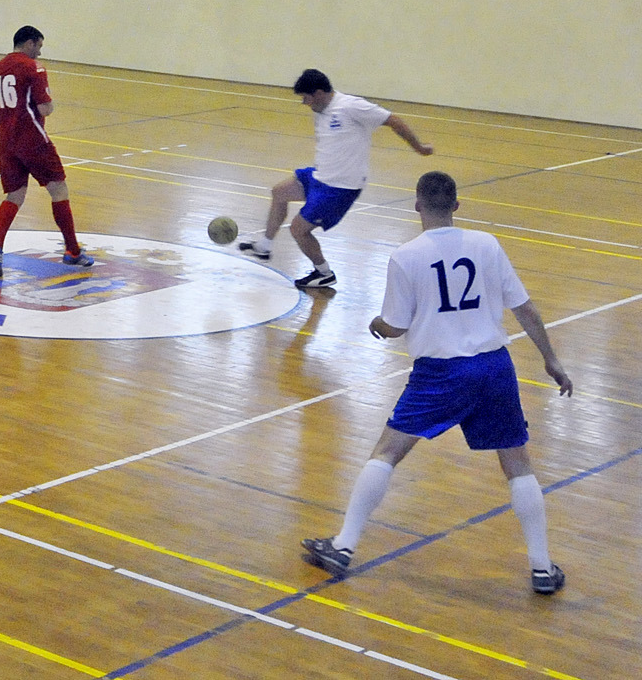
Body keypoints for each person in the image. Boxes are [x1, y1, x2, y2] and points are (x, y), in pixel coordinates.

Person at [302, 171, 570, 594]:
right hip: (494, 368)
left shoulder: (406, 256)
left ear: (417, 205)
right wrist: (550, 359)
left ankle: (343, 546)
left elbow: (395, 325)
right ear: (456, 206)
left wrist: (377, 324)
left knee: (387, 452)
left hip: (440, 373)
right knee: (517, 464)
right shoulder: (486, 244)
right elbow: (525, 308)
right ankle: (541, 567)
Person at [237, 69, 433, 289]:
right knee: (279, 192)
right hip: (319, 176)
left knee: (298, 229)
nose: (304, 103)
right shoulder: (320, 109)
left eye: (306, 98)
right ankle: (264, 247)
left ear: (319, 93)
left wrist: (419, 147)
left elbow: (393, 120)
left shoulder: (352, 106)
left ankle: (324, 273)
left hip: (340, 187)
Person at [0, 25, 90, 275]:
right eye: (39, 46)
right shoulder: (34, 68)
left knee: (15, 194)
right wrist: (50, 105)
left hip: (5, 139)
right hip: (31, 137)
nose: (40, 53)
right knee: (58, 188)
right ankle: (72, 250)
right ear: (29, 43)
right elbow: (45, 108)